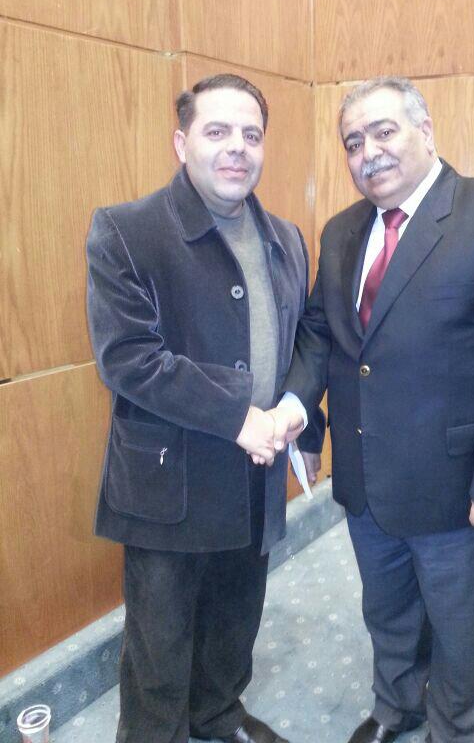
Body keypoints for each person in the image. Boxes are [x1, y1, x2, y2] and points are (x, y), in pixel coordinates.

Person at [271, 76, 474, 743]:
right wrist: (306, 421)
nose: (369, 151)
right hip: (366, 478)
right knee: (389, 613)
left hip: (459, 487)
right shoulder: (342, 231)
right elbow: (322, 334)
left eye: (384, 131)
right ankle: (396, 706)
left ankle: (459, 729)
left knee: (466, 629)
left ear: (425, 130)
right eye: (354, 141)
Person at [86, 73, 323, 743]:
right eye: (217, 131)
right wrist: (240, 417)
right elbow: (129, 357)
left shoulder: (286, 237)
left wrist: (293, 410)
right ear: (181, 142)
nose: (237, 147)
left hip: (257, 470)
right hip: (170, 480)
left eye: (251, 134)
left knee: (235, 620)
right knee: (159, 643)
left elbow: (307, 336)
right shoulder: (126, 231)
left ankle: (218, 715)